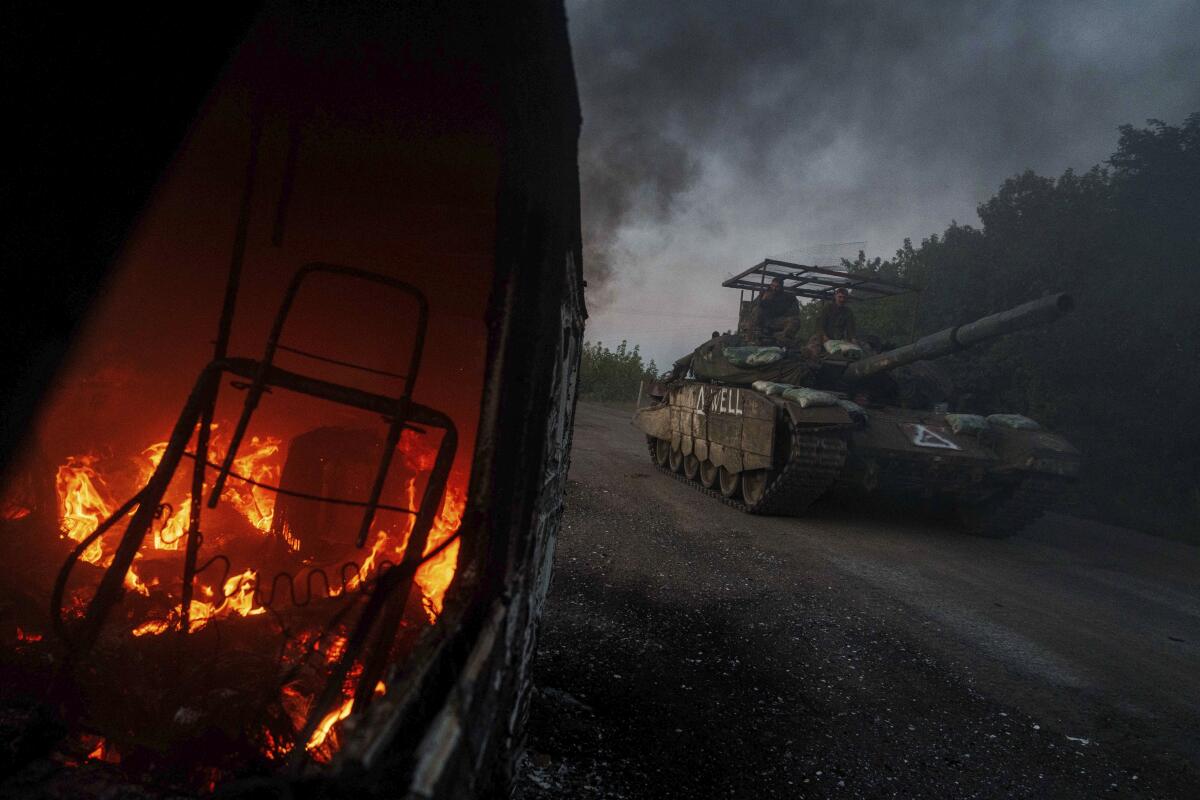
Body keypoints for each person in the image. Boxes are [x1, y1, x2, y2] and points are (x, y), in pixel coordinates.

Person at [744, 277, 800, 343]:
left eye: (777, 287)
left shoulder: (787, 297)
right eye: (773, 286)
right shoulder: (765, 294)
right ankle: (750, 338)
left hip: (778, 321)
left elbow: (795, 312)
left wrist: (783, 311)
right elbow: (753, 308)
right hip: (764, 321)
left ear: (781, 287)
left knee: (795, 320)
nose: (774, 288)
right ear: (770, 285)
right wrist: (763, 299)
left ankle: (782, 337)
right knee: (757, 310)